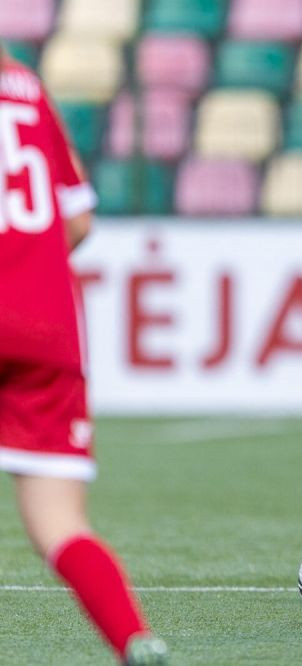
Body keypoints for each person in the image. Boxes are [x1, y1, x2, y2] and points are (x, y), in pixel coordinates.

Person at [0, 47, 169, 663]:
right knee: (60, 524)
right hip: (45, 322)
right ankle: (134, 639)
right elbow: (77, 222)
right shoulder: (25, 87)